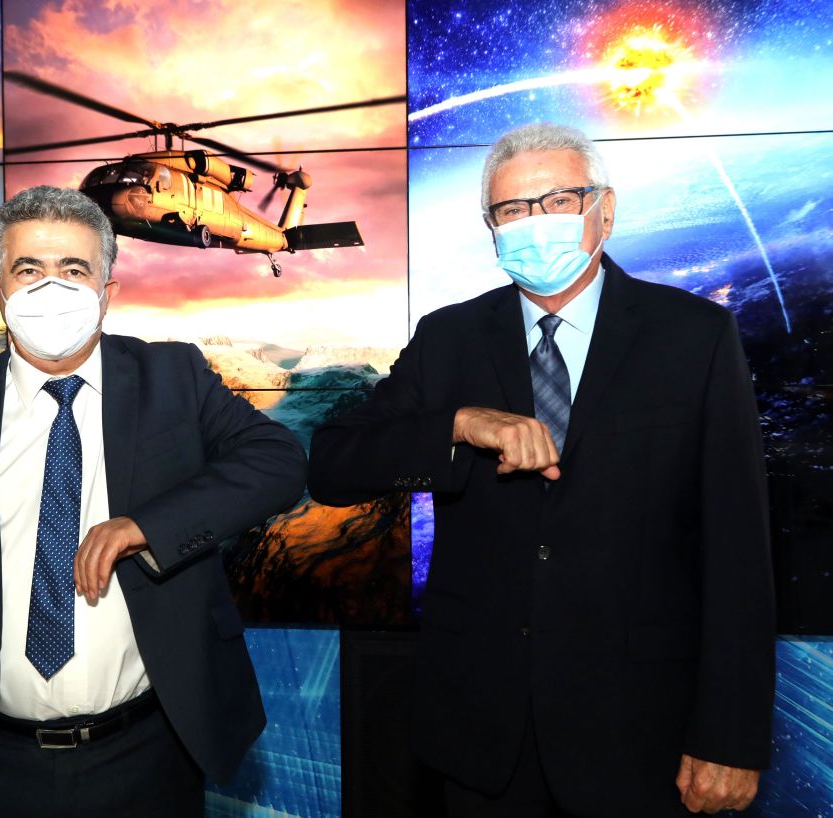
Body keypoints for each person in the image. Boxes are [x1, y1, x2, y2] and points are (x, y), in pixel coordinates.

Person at [308, 123, 775, 817]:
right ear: (491, 228)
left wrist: (731, 736)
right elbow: (333, 464)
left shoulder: (693, 336)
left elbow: (737, 548)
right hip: (482, 737)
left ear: (604, 211)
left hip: (641, 733)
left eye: (558, 201)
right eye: (512, 211)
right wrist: (460, 425)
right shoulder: (450, 337)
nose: (534, 225)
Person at [0, 185, 307, 817]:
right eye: (29, 270)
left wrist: (149, 526)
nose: (53, 289)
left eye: (74, 270)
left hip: (150, 755)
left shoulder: (173, 378)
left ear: (106, 292)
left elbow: (279, 460)